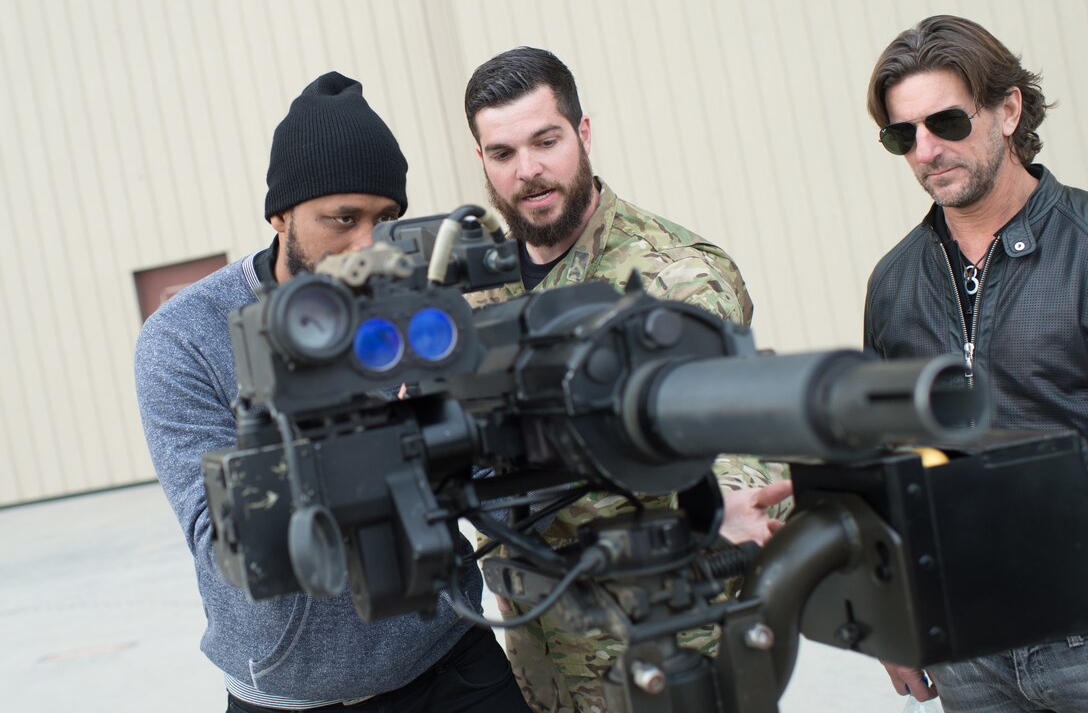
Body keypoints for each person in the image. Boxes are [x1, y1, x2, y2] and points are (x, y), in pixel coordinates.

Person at [135, 72, 531, 713]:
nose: (367, 246)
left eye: (385, 219)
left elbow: (489, 475)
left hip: (448, 659)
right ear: (280, 213)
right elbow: (221, 541)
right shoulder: (186, 337)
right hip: (289, 692)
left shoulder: (419, 308)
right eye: (342, 218)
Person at [463, 46, 793, 712]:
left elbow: (738, 426)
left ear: (582, 133)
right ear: (482, 160)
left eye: (546, 141)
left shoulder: (672, 275)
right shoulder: (473, 295)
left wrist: (725, 501)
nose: (528, 170)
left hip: (665, 652)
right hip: (539, 654)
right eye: (502, 153)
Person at [865, 15, 1088, 712]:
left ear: (1008, 108)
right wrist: (889, 616)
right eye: (904, 135)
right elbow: (885, 457)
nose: (927, 150)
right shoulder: (893, 283)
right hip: (967, 648)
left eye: (947, 122)